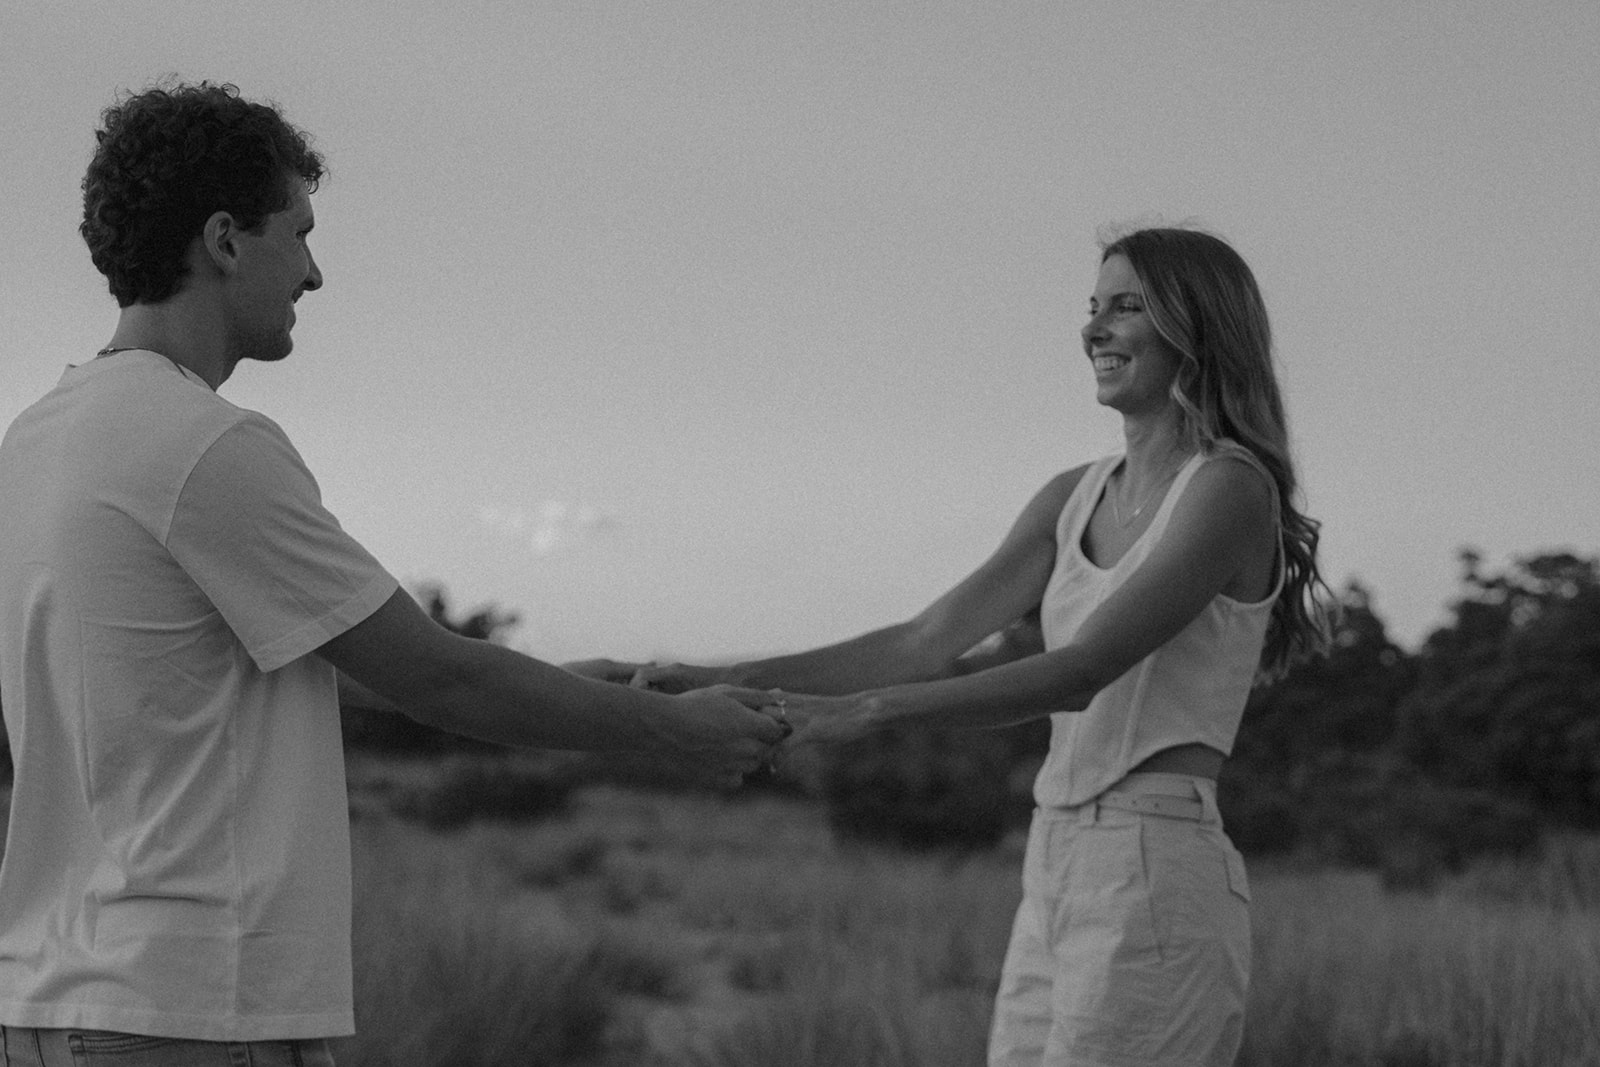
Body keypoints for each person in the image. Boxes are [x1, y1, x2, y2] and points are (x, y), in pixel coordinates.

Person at [0, 81, 786, 1066]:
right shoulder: (201, 445)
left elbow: (338, 670)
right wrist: (675, 733)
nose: (316, 271)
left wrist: (600, 680)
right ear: (225, 240)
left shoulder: (33, 443)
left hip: (51, 1003)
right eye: (300, 229)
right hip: (189, 1009)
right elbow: (437, 675)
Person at [633, 226, 1331, 1066]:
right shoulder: (1072, 496)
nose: (1094, 330)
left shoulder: (1227, 488)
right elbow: (926, 639)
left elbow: (1082, 670)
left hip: (1155, 861)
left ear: (1197, 325)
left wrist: (862, 713)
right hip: (1056, 851)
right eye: (1092, 308)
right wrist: (728, 678)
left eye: (1127, 307)